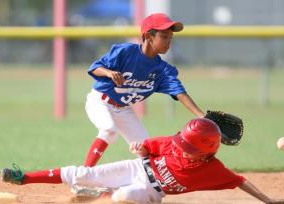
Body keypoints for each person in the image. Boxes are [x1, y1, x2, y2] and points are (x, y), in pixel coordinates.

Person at [0, 118, 284, 204]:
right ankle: (23, 176)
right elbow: (147, 148)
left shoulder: (214, 170)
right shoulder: (173, 143)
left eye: (189, 148)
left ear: (207, 153)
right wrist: (139, 148)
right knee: (82, 173)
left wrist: (269, 201)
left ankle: (104, 194)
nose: (181, 147)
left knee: (123, 197)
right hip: (136, 167)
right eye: (183, 142)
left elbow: (240, 182)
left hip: (152, 192)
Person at [83, 13, 205, 167]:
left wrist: (202, 116)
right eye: (164, 36)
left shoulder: (163, 70)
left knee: (146, 149)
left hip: (124, 109)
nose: (168, 42)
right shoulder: (125, 52)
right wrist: (108, 72)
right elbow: (94, 68)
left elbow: (180, 93)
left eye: (170, 38)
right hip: (100, 101)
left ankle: (142, 186)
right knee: (109, 130)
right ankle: (83, 176)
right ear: (148, 36)